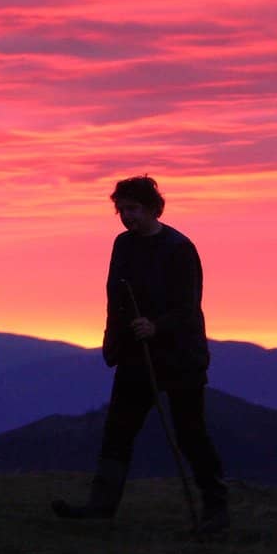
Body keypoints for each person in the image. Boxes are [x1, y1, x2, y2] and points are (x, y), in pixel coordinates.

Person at [52, 176, 229, 534]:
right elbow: (114, 298)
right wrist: (114, 342)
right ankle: (100, 507)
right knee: (118, 430)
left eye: (132, 208)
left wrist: (156, 326)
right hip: (135, 353)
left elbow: (188, 307)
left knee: (190, 433)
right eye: (121, 210)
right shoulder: (123, 245)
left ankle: (215, 509)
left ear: (152, 208)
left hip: (180, 356)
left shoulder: (179, 248)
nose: (126, 216)